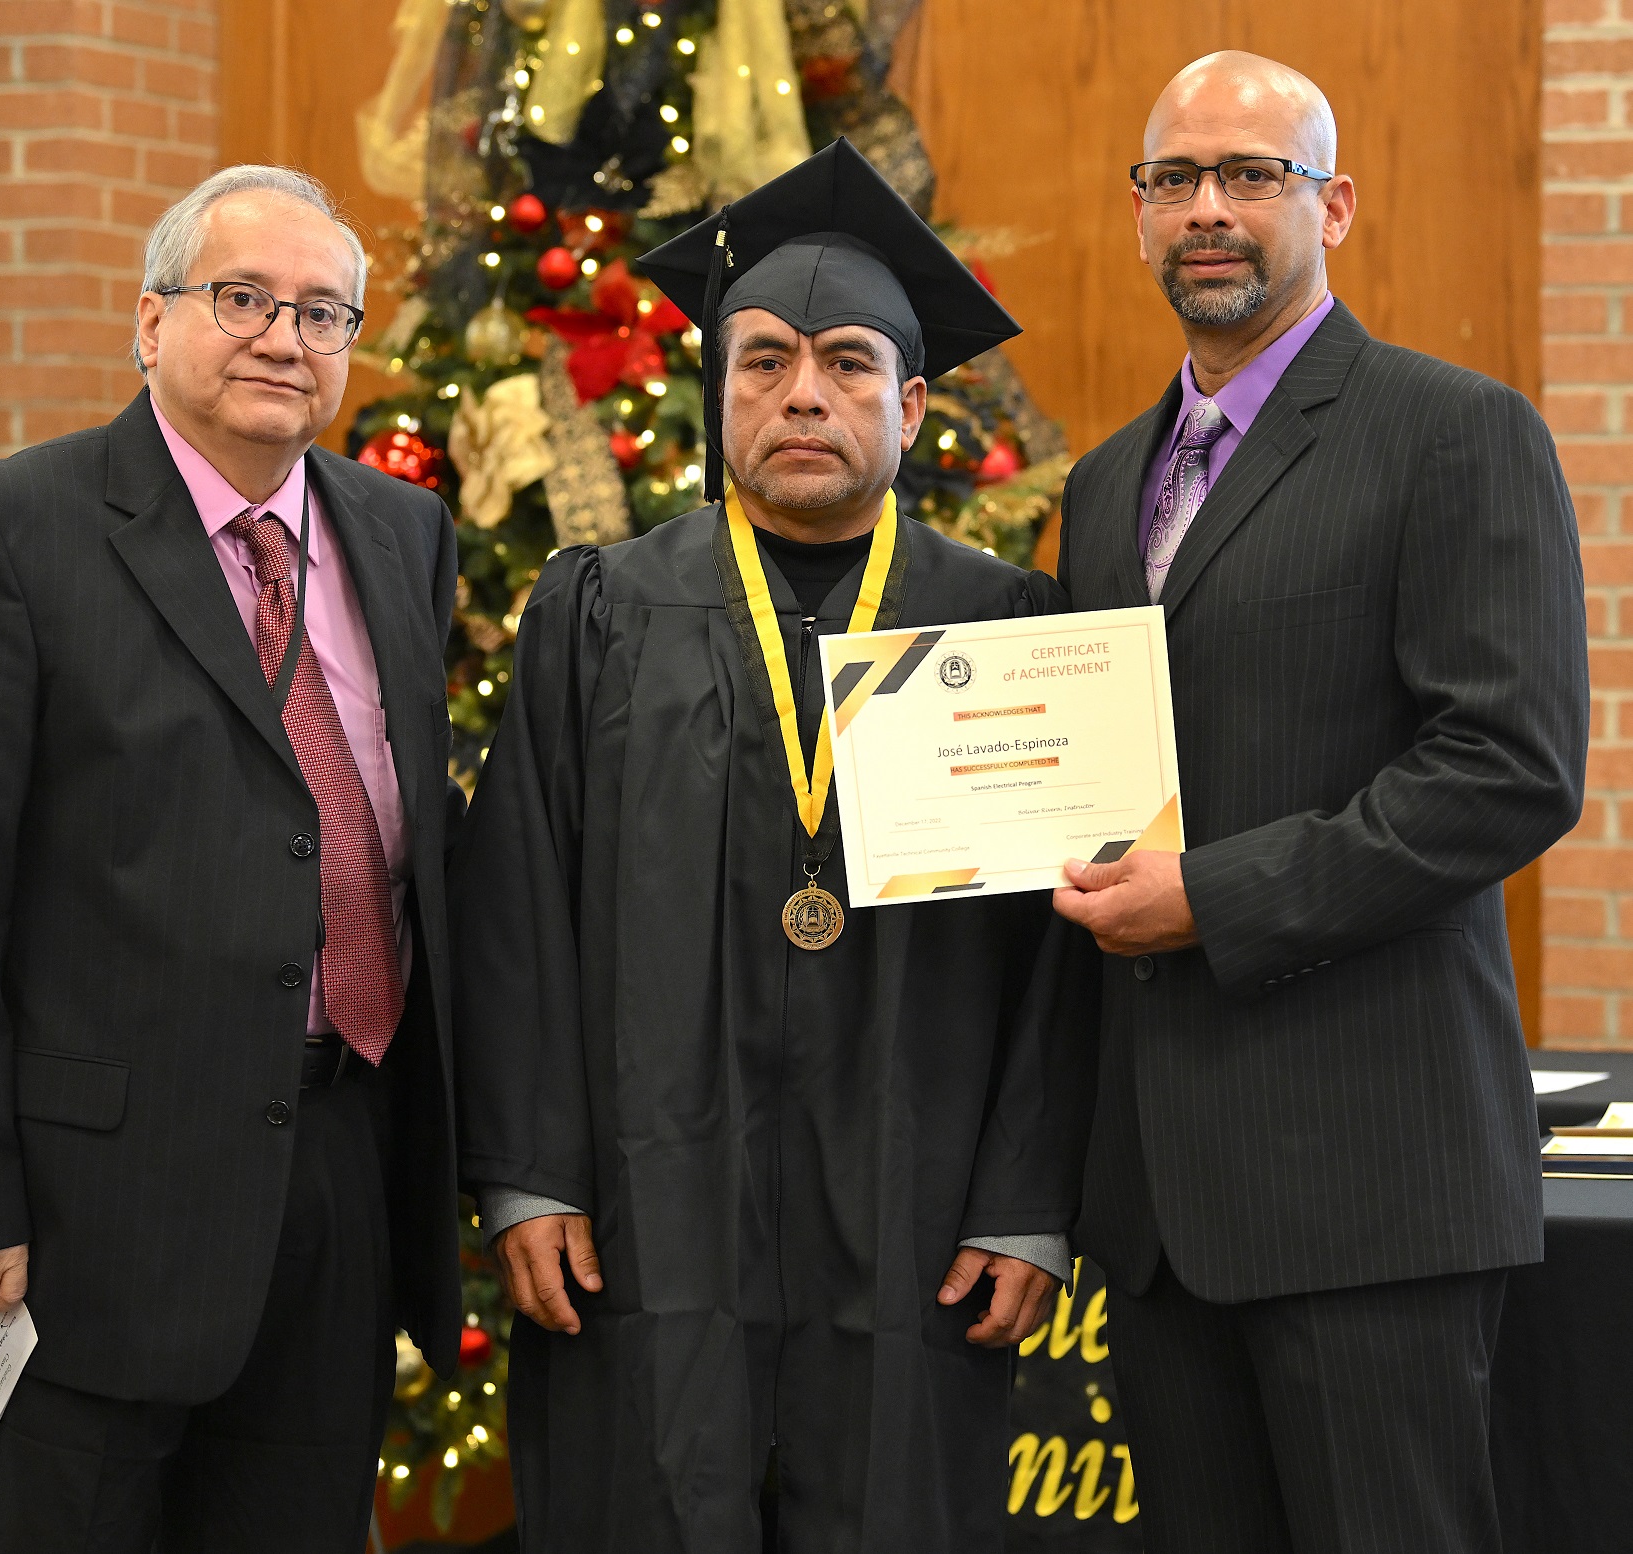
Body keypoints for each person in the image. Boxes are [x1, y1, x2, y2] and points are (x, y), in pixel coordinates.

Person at [450, 139, 1095, 1552]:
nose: (805, 391)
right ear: (716, 390)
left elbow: (1065, 946)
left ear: (914, 403)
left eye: (850, 362)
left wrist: (1027, 1196)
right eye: (765, 361)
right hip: (643, 1191)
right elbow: (516, 903)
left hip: (917, 1198)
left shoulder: (1003, 623)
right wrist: (530, 1171)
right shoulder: (600, 609)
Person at [0, 165, 465, 1553]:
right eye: (241, 298)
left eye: (322, 312)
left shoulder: (403, 534)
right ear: (149, 321)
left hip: (337, 1174)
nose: (282, 338)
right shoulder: (2, 532)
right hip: (75, 1220)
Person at [1052, 52, 1588, 1552]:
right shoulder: (1106, 486)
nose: (1207, 209)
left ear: (1334, 204)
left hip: (1371, 1190)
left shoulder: (1452, 433)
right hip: (1159, 1208)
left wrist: (1206, 900)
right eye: (1173, 180)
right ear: (1140, 215)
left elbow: (1511, 765)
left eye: (1252, 175)